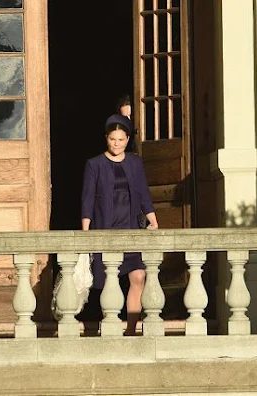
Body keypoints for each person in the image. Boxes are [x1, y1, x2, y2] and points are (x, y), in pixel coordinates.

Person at [81, 113, 159, 335]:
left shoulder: (135, 163)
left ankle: (132, 329)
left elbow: (143, 193)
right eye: (113, 139)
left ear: (127, 139)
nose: (117, 144)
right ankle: (111, 326)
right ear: (106, 138)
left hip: (132, 229)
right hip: (106, 229)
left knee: (139, 276)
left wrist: (153, 221)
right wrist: (86, 230)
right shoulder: (94, 164)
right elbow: (87, 198)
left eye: (121, 139)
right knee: (109, 282)